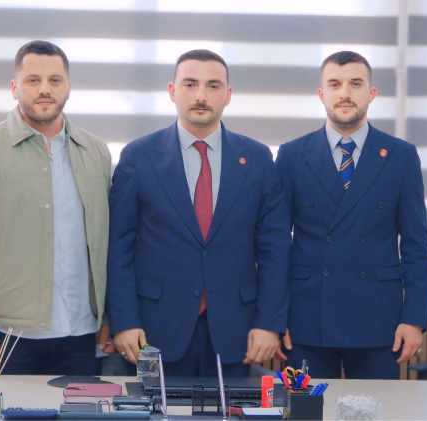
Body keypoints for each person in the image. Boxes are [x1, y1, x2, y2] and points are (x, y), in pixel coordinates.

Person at [107, 49, 291, 377]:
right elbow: (118, 247)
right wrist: (123, 322)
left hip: (236, 330)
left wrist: (269, 322)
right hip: (153, 330)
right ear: (172, 91)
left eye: (213, 86)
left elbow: (275, 248)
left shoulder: (258, 158)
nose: (201, 96)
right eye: (190, 84)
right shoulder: (138, 156)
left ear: (228, 95)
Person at [0, 40, 114, 375]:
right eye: (33, 80)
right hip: (7, 334)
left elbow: (106, 243)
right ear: (14, 88)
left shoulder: (96, 152)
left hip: (80, 332)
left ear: (68, 87)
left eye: (54, 80)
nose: (45, 89)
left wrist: (107, 317)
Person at [275, 51, 427, 379]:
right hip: (305, 320)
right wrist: (273, 317)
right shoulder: (291, 155)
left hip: (379, 321)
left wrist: (415, 318)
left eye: (355, 84)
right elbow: (274, 244)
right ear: (321, 94)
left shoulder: (401, 156)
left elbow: (416, 244)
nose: (344, 93)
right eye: (335, 84)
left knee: (379, 406)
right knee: (305, 406)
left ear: (371, 93)